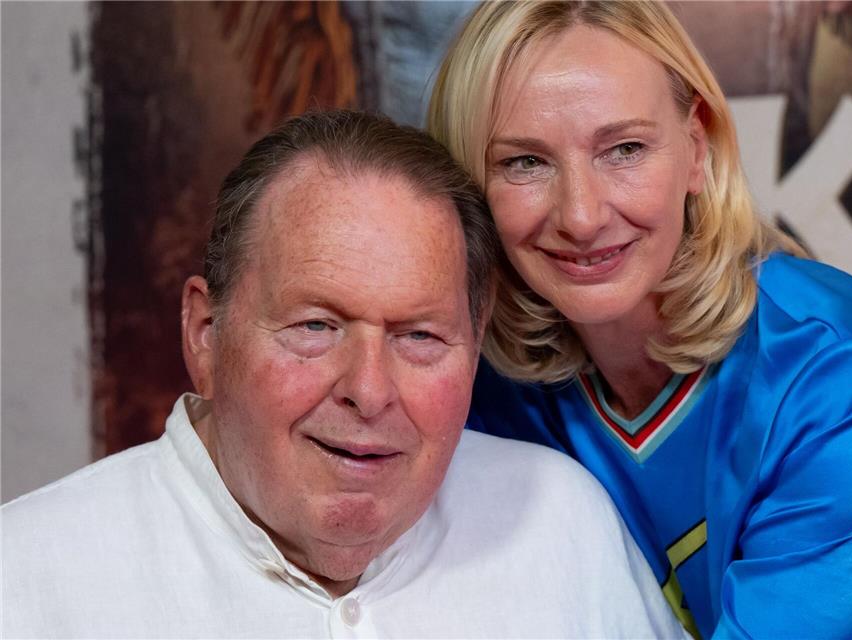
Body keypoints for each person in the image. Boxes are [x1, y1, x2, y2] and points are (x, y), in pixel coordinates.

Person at [1, 110, 686, 639]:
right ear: (206, 336)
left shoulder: (560, 524)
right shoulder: (27, 576)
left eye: (419, 336)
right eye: (316, 327)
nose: (369, 389)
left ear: (475, 346)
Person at [427, 2, 852, 638]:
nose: (581, 215)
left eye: (624, 149)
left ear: (696, 150)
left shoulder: (845, 379)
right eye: (525, 163)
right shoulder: (477, 379)